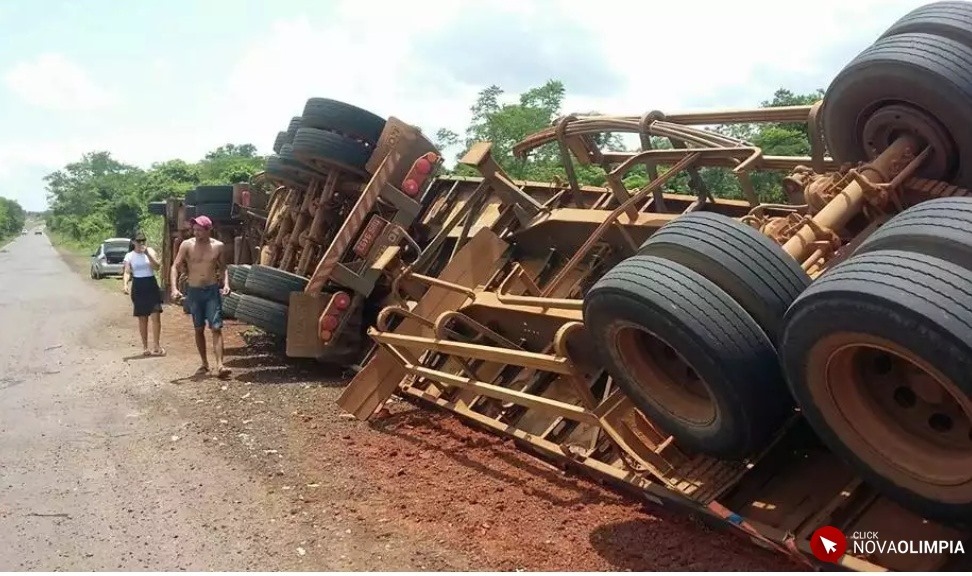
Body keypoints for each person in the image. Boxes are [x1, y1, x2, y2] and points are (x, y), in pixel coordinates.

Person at [170, 215, 232, 378]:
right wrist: (174, 288)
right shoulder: (187, 245)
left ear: (208, 230)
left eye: (199, 230)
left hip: (211, 290)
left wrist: (226, 284)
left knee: (216, 327)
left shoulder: (218, 246)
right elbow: (174, 267)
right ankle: (205, 363)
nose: (196, 233)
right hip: (194, 291)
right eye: (194, 230)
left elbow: (224, 268)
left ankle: (220, 365)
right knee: (198, 328)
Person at [122, 231, 165, 356]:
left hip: (150, 283)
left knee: (156, 315)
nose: (141, 243)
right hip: (139, 285)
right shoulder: (129, 256)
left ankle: (156, 345)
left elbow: (157, 267)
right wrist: (125, 284)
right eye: (139, 241)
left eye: (143, 241)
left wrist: (147, 254)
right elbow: (127, 272)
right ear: (133, 242)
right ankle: (145, 347)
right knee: (142, 317)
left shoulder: (150, 251)